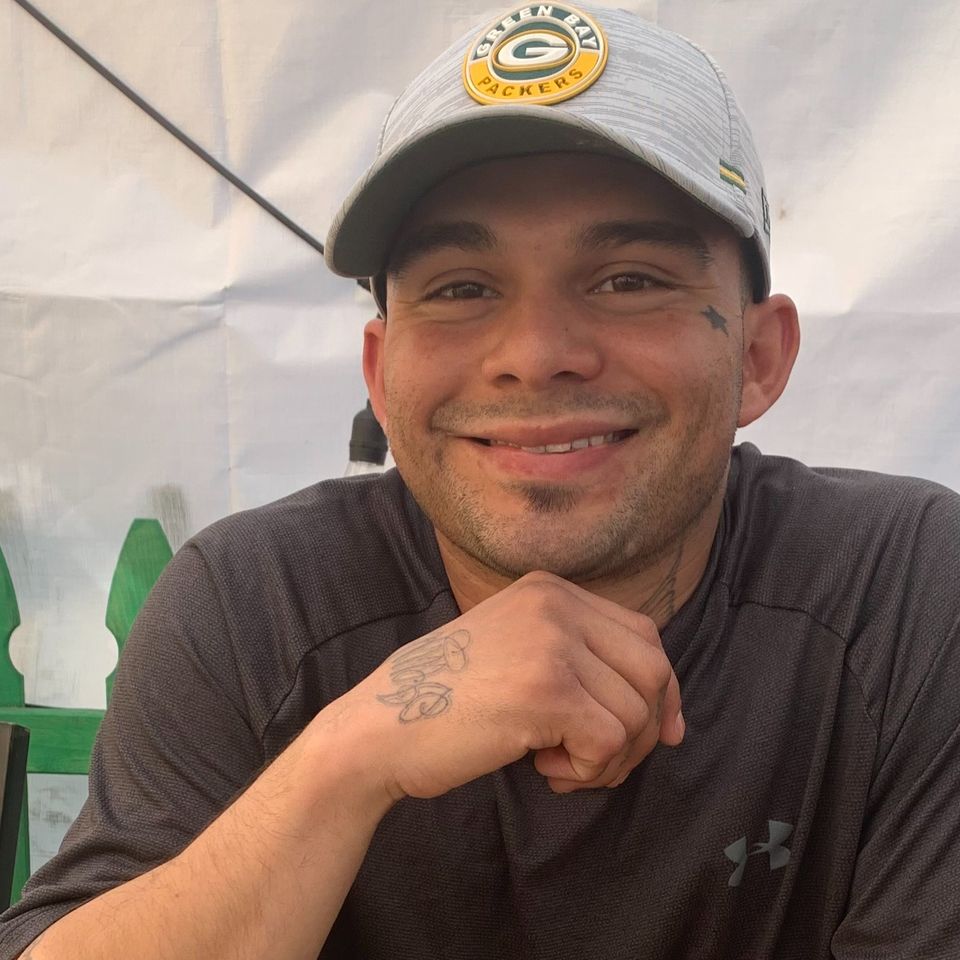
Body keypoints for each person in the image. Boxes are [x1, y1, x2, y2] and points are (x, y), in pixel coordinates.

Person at [2, 4, 959, 958]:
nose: (535, 354)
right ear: (381, 379)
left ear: (757, 356)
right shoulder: (252, 605)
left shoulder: (907, 589)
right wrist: (353, 757)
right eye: (462, 288)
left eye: (629, 279)